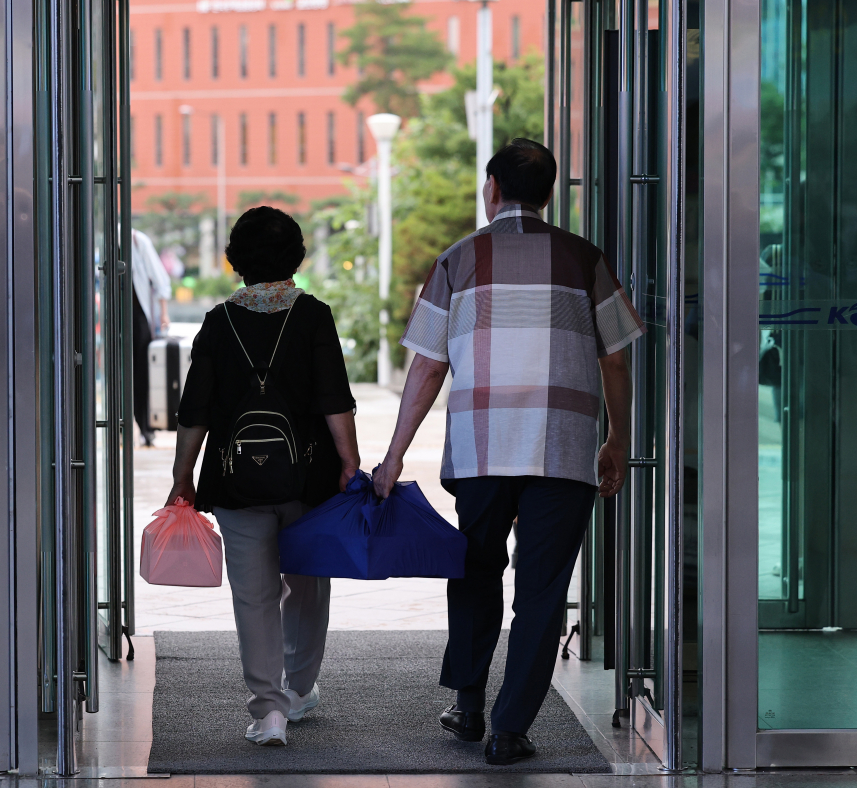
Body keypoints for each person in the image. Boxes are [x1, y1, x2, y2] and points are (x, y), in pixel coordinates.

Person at [372, 139, 644, 766]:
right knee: (542, 591)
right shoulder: (585, 259)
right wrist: (618, 440)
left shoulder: (459, 259)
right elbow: (617, 357)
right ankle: (509, 729)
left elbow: (427, 366)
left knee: (473, 573)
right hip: (562, 447)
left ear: (491, 186)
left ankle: (468, 706)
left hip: (481, 451)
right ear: (549, 191)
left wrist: (393, 457)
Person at [167, 206, 361, 747]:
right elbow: (334, 399)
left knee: (252, 595)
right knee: (306, 583)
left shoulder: (216, 320)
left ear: (236, 261)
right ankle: (298, 691)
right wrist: (349, 462)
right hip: (309, 480)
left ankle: (268, 711)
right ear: (296, 256)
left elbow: (194, 411)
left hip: (235, 481)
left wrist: (183, 477)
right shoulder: (315, 315)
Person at [131, 227, 173, 447]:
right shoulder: (102, 237)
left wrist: (163, 313)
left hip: (139, 316)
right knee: (126, 376)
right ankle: (136, 428)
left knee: (141, 375)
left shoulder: (137, 240)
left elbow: (159, 278)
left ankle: (146, 428)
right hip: (118, 316)